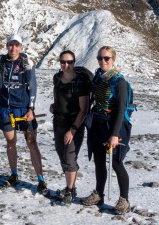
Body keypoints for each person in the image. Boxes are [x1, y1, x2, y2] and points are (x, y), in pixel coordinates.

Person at [0, 34, 46, 193]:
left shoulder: (27, 62)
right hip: (5, 108)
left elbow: (33, 86)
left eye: (16, 45)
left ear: (21, 47)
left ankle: (41, 179)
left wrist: (31, 109)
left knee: (31, 143)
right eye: (10, 45)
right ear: (7, 45)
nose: (13, 48)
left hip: (23, 107)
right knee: (10, 142)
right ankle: (14, 174)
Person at [81, 46, 133, 214]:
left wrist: (115, 135)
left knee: (117, 163)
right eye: (100, 58)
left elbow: (120, 110)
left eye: (107, 58)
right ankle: (99, 194)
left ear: (113, 60)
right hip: (98, 123)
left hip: (113, 125)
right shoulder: (98, 77)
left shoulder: (120, 81)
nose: (103, 61)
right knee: (99, 160)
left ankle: (124, 200)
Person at [49, 50, 92, 204]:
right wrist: (54, 105)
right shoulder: (57, 78)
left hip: (74, 124)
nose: (66, 65)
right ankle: (70, 188)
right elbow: (56, 93)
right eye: (63, 62)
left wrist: (73, 130)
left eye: (69, 62)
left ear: (74, 62)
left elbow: (84, 109)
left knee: (70, 156)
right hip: (58, 121)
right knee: (62, 155)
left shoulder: (80, 82)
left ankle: (70, 189)